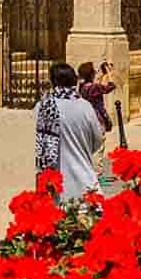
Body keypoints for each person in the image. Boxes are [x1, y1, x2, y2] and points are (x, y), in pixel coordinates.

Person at [33, 63, 105, 201]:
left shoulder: (42, 107)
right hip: (86, 185)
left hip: (55, 188)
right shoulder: (85, 106)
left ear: (52, 81)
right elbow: (97, 141)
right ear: (74, 80)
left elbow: (35, 144)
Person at [76, 61, 115, 130]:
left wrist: (103, 75)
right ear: (91, 74)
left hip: (87, 116)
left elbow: (98, 87)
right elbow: (111, 86)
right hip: (97, 117)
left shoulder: (82, 87)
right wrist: (109, 73)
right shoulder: (95, 87)